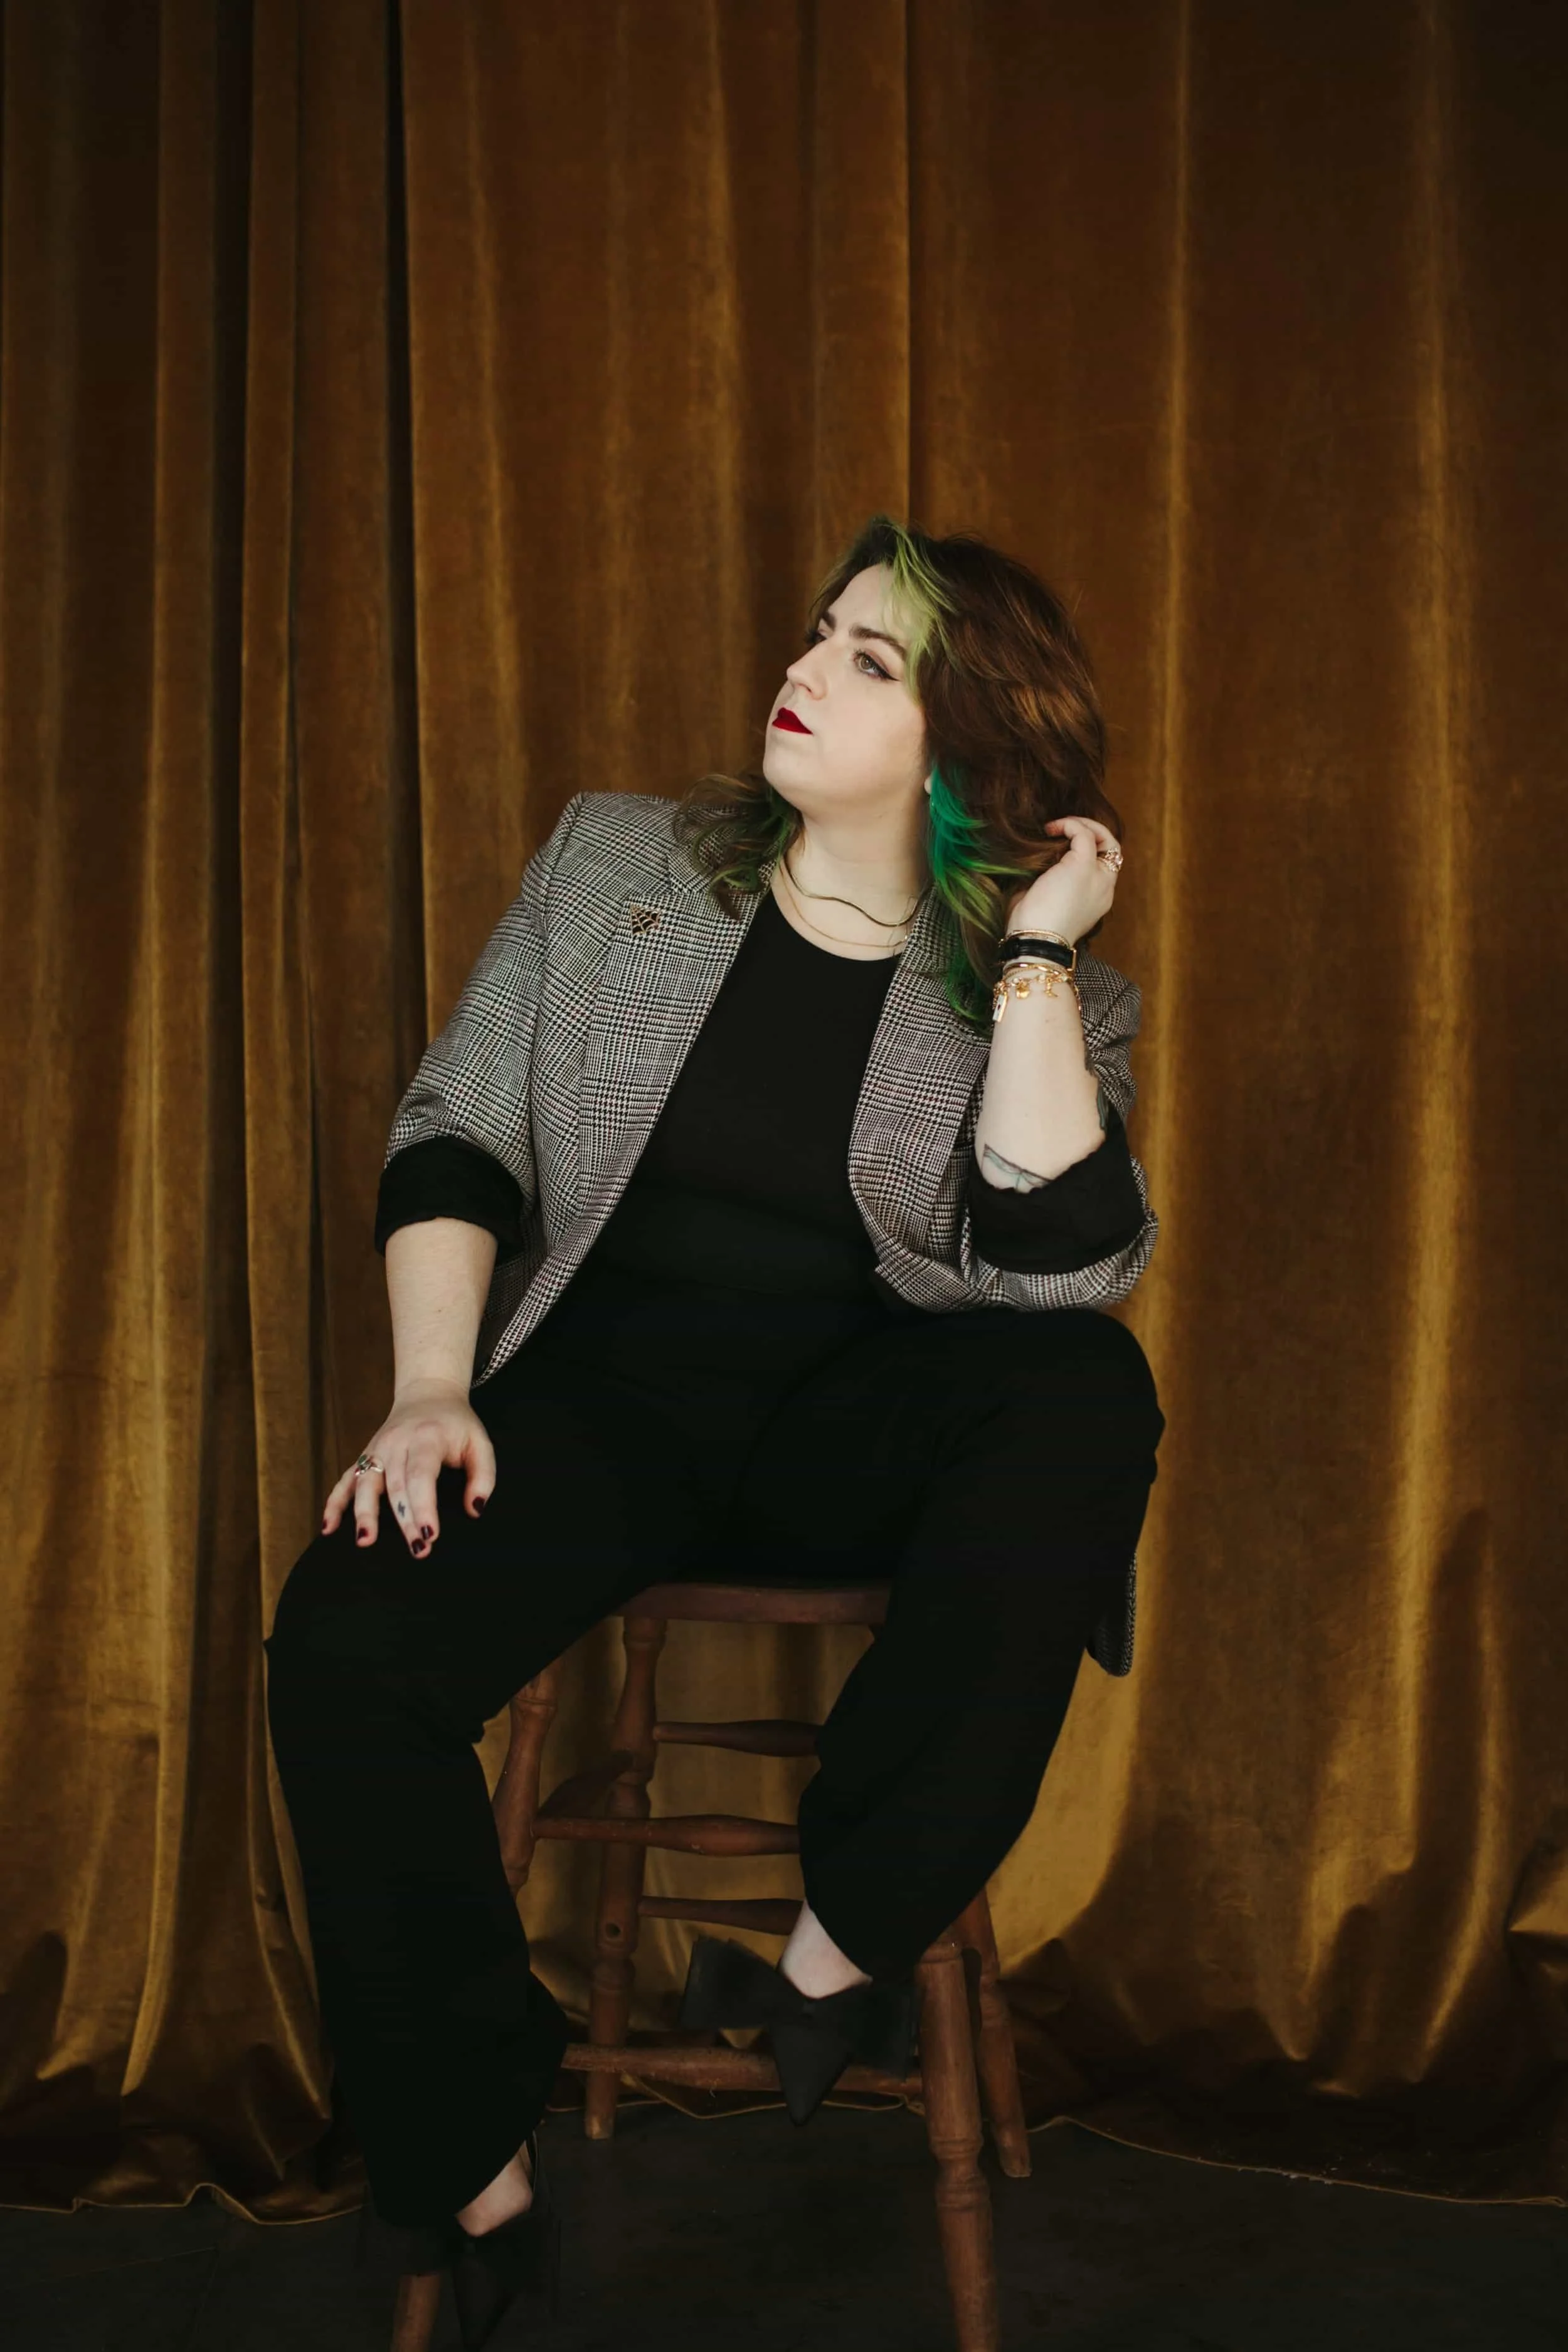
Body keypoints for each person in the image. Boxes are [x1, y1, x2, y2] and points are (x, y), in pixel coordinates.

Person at [264, 513, 1167, 2344]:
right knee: (345, 1637)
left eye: (870, 660)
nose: (807, 669)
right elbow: (461, 1129)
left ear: (965, 747)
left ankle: (829, 1951)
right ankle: (471, 2152)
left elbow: (1062, 1261)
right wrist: (432, 1389)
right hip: (599, 1408)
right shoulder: (619, 861)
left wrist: (1038, 954)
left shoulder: (1037, 988)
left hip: (849, 1421)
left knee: (1084, 1389)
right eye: (817, 632)